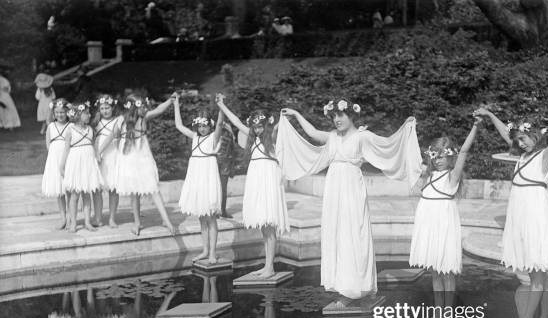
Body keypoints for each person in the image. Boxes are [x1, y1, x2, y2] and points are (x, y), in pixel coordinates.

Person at [278, 100, 422, 306]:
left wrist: (405, 129)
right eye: (334, 116)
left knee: (353, 234)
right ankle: (344, 286)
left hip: (351, 190)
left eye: (341, 115)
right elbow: (313, 133)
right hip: (334, 191)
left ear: (352, 116)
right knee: (337, 233)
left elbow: (388, 144)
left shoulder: (362, 136)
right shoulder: (333, 138)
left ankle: (355, 289)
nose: (337, 120)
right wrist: (296, 114)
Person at [473, 105, 548, 318]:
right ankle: (547, 317)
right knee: (539, 273)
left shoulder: (544, 156)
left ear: (535, 135)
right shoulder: (522, 156)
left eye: (524, 138)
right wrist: (489, 115)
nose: (520, 143)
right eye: (518, 140)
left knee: (536, 270)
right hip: (520, 215)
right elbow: (506, 133)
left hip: (535, 214)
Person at [410, 118, 481, 318]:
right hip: (429, 224)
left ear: (450, 157)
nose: (439, 160)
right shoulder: (429, 175)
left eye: (443, 156)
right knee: (435, 271)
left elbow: (465, 151)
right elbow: (410, 157)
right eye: (436, 156)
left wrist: (475, 126)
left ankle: (448, 316)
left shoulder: (452, 176)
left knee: (446, 271)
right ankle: (437, 314)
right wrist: (410, 129)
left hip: (444, 225)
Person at [216, 94, 289, 278]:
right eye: (254, 126)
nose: (257, 130)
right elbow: (234, 120)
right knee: (263, 226)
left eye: (260, 126)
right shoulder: (252, 137)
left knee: (269, 223)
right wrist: (222, 105)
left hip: (267, 182)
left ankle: (270, 267)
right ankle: (267, 265)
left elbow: (279, 126)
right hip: (256, 181)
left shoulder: (270, 137)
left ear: (266, 125)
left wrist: (284, 117)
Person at [114, 94, 177, 236]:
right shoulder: (121, 120)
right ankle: (137, 222)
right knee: (134, 192)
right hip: (129, 157)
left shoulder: (144, 117)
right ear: (134, 108)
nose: (145, 108)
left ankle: (166, 220)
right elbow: (115, 136)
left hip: (143, 156)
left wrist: (170, 100)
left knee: (153, 187)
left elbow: (159, 110)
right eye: (142, 106)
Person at [173, 96, 224, 263]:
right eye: (200, 126)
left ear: (209, 125)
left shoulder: (213, 138)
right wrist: (176, 105)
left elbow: (219, 124)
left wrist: (221, 106)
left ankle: (213, 253)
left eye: (205, 125)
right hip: (196, 177)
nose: (202, 129)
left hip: (208, 176)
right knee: (202, 217)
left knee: (210, 216)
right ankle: (204, 250)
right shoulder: (194, 136)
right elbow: (178, 125)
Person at [59, 101, 104, 232]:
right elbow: (66, 149)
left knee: (86, 194)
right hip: (75, 162)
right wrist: (62, 165)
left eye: (89, 113)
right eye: (86, 113)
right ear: (78, 115)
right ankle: (73, 223)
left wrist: (97, 157)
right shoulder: (70, 130)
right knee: (74, 195)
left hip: (88, 162)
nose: (89, 115)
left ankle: (87, 222)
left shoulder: (90, 129)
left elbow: (94, 147)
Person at [92, 95, 121, 228]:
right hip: (98, 155)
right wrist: (95, 153)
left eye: (107, 108)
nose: (105, 111)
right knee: (97, 188)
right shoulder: (96, 122)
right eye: (102, 108)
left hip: (112, 154)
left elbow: (112, 136)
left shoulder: (118, 120)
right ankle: (98, 217)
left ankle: (112, 218)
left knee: (112, 188)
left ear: (112, 108)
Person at [42, 99, 71, 229]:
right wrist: (53, 156)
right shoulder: (51, 126)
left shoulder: (71, 126)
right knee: (59, 191)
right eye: (57, 112)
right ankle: (63, 218)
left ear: (67, 112)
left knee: (69, 189)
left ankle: (71, 217)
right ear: (54, 113)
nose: (60, 115)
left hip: (68, 158)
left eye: (63, 112)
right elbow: (48, 143)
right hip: (54, 159)